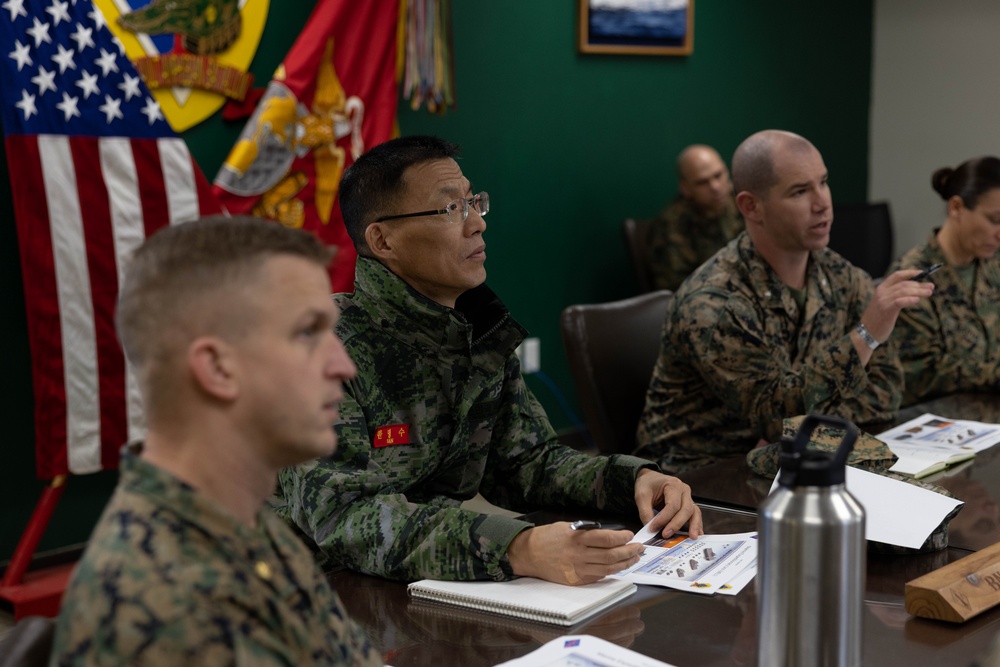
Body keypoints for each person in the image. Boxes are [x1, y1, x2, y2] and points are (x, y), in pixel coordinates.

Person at [275, 135, 702, 586]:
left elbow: (524, 464)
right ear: (382, 240)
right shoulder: (315, 348)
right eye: (450, 209)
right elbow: (344, 519)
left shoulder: (476, 330)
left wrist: (632, 480)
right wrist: (515, 546)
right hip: (304, 596)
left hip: (422, 587)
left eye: (474, 202)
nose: (477, 223)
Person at [50, 217, 380, 666]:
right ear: (218, 368)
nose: (344, 365)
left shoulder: (240, 523)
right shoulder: (169, 605)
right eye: (308, 332)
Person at [636, 130, 935, 473]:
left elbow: (885, 392)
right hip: (700, 475)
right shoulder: (714, 302)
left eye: (823, 182)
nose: (822, 202)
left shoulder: (837, 272)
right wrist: (865, 335)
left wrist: (798, 431)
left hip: (788, 457)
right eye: (799, 191)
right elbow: (774, 414)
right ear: (751, 206)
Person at [887, 157, 1000, 405]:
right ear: (956, 208)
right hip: (938, 422)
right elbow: (924, 373)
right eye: (994, 220)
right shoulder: (912, 277)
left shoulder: (993, 264)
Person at [646, 144, 744, 291]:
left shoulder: (744, 203)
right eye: (703, 182)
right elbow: (678, 288)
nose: (715, 187)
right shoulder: (671, 227)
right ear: (685, 188)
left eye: (718, 175)